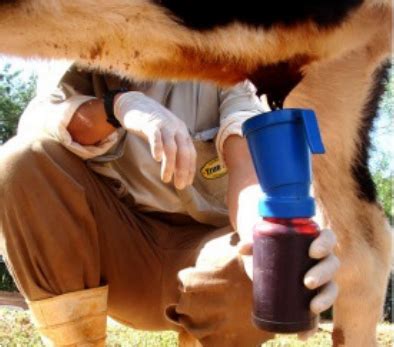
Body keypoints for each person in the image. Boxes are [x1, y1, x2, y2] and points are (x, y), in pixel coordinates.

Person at [0, 63, 339, 347]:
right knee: (18, 161)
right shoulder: (80, 59)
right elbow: (37, 130)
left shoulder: (226, 64)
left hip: (206, 262)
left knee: (265, 256)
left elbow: (247, 170)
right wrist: (119, 106)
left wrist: (271, 244)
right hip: (119, 257)